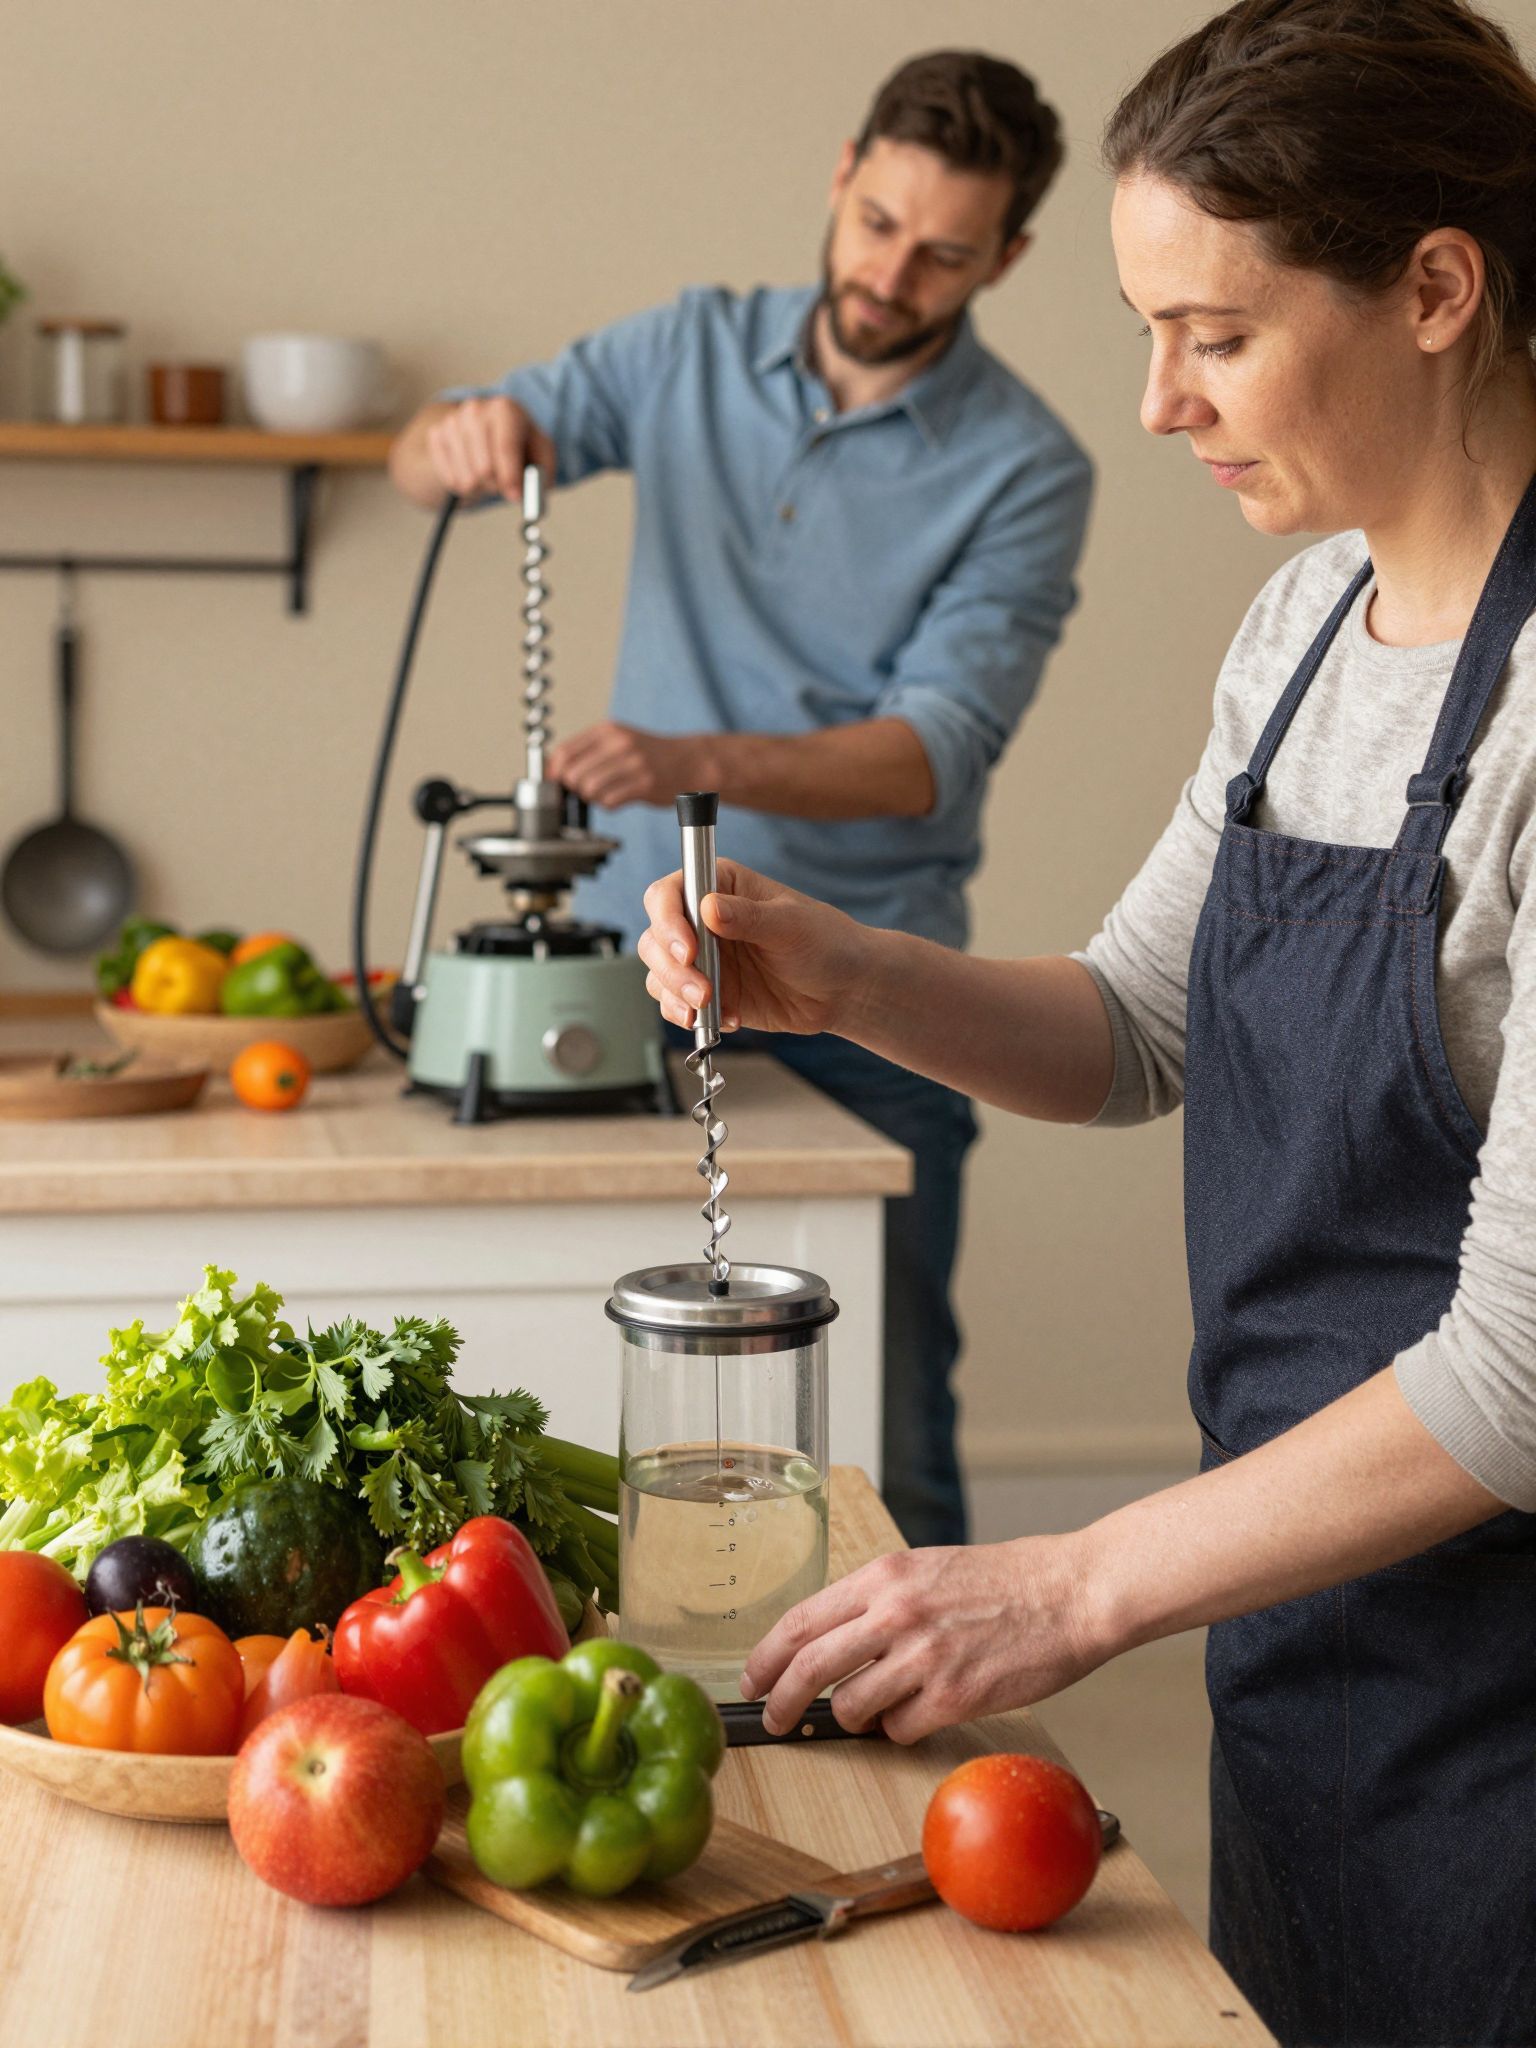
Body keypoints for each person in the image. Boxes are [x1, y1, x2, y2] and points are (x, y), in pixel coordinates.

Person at [637, 3, 1536, 2041]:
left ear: (1434, 286)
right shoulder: (1306, 626)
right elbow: (1138, 1025)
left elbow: (1522, 1367)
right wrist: (846, 966)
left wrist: (1066, 1584)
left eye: (1212, 334)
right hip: (1306, 1636)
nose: (1157, 404)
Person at [389, 50, 1094, 1551]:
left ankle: (930, 1762)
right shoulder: (687, 351)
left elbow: (931, 749)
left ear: (1009, 258)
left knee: (891, 1415)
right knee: (601, 1380)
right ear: (843, 175)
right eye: (881, 222)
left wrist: (692, 757)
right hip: (646, 970)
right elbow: (445, 443)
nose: (893, 272)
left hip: (874, 1003)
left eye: (945, 252)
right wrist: (463, 436)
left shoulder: (1028, 465)